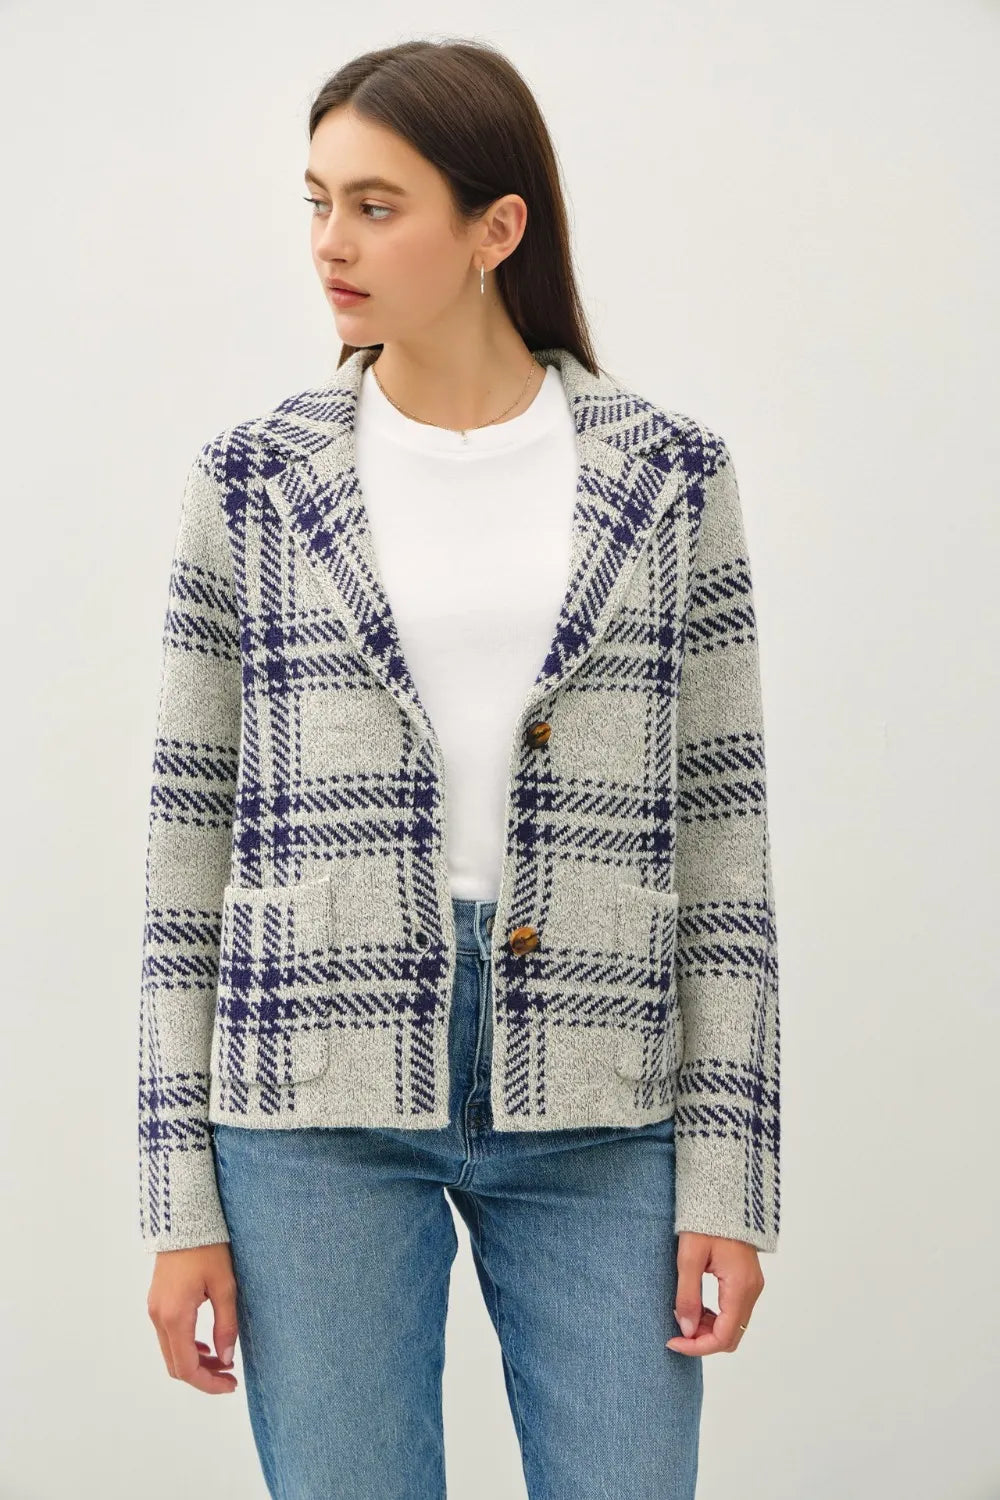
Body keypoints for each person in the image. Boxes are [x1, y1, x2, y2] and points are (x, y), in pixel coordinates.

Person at [139, 36, 780, 1500]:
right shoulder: (250, 480)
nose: (330, 244)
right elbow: (184, 854)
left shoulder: (673, 474)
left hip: (607, 1087)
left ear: (498, 229)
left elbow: (725, 846)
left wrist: (731, 1180)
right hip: (312, 1090)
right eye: (318, 202)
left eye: (377, 207)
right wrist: (180, 1203)